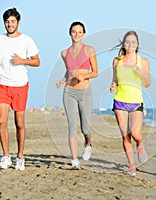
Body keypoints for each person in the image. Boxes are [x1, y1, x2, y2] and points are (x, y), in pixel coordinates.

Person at [0, 8, 40, 170]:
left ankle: (20, 156)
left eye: (12, 21)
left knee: (19, 123)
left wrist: (22, 61)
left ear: (18, 23)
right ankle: (6, 156)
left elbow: (37, 61)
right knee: (1, 121)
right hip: (2, 84)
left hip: (20, 85)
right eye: (7, 21)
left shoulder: (26, 40)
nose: (9, 24)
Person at [56, 21, 98, 169]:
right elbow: (69, 71)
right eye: (74, 32)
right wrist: (63, 79)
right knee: (72, 125)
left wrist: (84, 77)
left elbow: (95, 72)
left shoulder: (89, 50)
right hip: (69, 91)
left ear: (84, 34)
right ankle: (74, 159)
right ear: (70, 33)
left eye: (79, 32)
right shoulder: (64, 53)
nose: (76, 34)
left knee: (85, 127)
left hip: (85, 92)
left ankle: (88, 143)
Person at [110, 31, 150, 176]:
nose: (130, 45)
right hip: (120, 100)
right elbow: (114, 80)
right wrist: (113, 85)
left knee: (135, 133)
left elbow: (148, 83)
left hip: (135, 102)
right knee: (125, 135)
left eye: (133, 42)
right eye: (127, 42)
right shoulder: (117, 61)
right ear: (123, 44)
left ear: (137, 44)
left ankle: (140, 144)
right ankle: (131, 165)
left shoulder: (143, 61)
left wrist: (142, 74)